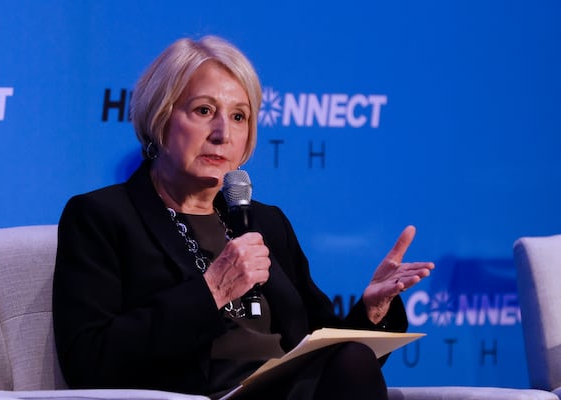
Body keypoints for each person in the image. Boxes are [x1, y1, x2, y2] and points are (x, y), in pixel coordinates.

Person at [52, 35, 434, 400]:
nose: (223, 133)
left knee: (352, 361)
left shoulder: (265, 222)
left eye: (239, 117)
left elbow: (318, 342)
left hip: (292, 388)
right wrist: (212, 290)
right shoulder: (102, 217)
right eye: (204, 111)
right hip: (203, 394)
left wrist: (371, 310)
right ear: (161, 117)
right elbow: (89, 362)